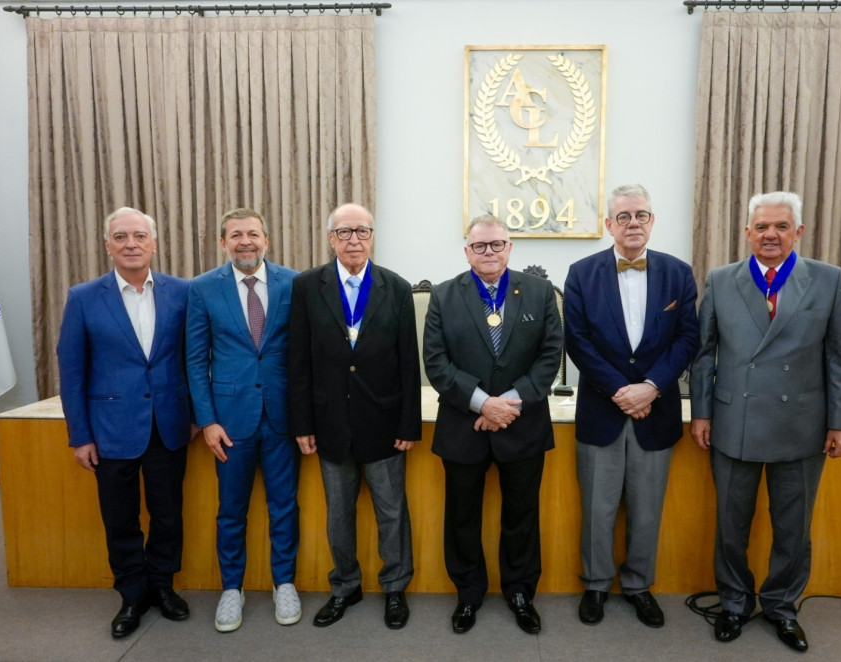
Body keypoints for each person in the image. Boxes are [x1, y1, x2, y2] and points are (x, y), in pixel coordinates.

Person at [690, 191, 841, 653]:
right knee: (731, 525)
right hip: (733, 420)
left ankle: (782, 606)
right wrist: (701, 412)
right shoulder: (721, 281)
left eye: (782, 226)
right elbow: (704, 356)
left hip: (801, 425)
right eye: (762, 226)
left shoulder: (828, 280)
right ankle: (735, 603)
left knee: (793, 528)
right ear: (747, 232)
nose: (771, 235)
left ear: (798, 232)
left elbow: (840, 358)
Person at [563, 184, 699, 627]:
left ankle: (639, 585)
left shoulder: (679, 274)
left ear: (652, 221)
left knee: (647, 508)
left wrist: (653, 387)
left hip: (655, 411)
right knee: (598, 508)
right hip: (604, 409)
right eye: (623, 216)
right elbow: (578, 342)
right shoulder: (581, 273)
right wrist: (623, 390)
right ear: (609, 225)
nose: (633, 222)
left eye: (641, 214)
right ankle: (597, 584)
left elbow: (688, 339)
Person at [423, 214, 563, 635]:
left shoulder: (539, 292)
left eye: (497, 244)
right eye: (480, 246)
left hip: (523, 425)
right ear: (467, 251)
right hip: (464, 426)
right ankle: (468, 594)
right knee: (462, 516)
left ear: (510, 247)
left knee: (521, 514)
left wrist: (509, 403)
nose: (489, 252)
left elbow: (551, 354)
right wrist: (483, 404)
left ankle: (520, 592)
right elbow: (435, 362)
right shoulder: (445, 295)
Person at [57, 207, 191, 638]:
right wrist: (80, 435)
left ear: (153, 243)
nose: (130, 244)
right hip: (110, 428)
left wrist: (195, 415)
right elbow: (72, 370)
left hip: (169, 423)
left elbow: (194, 358)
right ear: (108, 245)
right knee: (120, 517)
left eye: (139, 236)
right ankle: (132, 595)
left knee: (168, 514)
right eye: (121, 237)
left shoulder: (182, 292)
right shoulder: (83, 297)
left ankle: (162, 586)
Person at [287, 203, 421, 630]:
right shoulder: (309, 286)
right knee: (338, 514)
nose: (353, 241)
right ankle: (345, 586)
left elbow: (407, 364)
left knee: (392, 513)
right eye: (344, 233)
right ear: (331, 239)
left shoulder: (397, 288)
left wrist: (408, 424)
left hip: (383, 424)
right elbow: (299, 361)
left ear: (372, 237)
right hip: (330, 425)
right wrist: (303, 423)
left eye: (362, 232)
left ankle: (395, 588)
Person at [186, 208, 301, 632]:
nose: (245, 241)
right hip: (229, 423)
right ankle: (231, 590)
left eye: (253, 234)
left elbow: (304, 355)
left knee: (284, 507)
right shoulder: (202, 289)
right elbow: (196, 360)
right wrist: (207, 420)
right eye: (236, 235)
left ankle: (283, 583)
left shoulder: (294, 283)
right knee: (231, 511)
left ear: (266, 240)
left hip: (282, 417)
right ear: (223, 243)